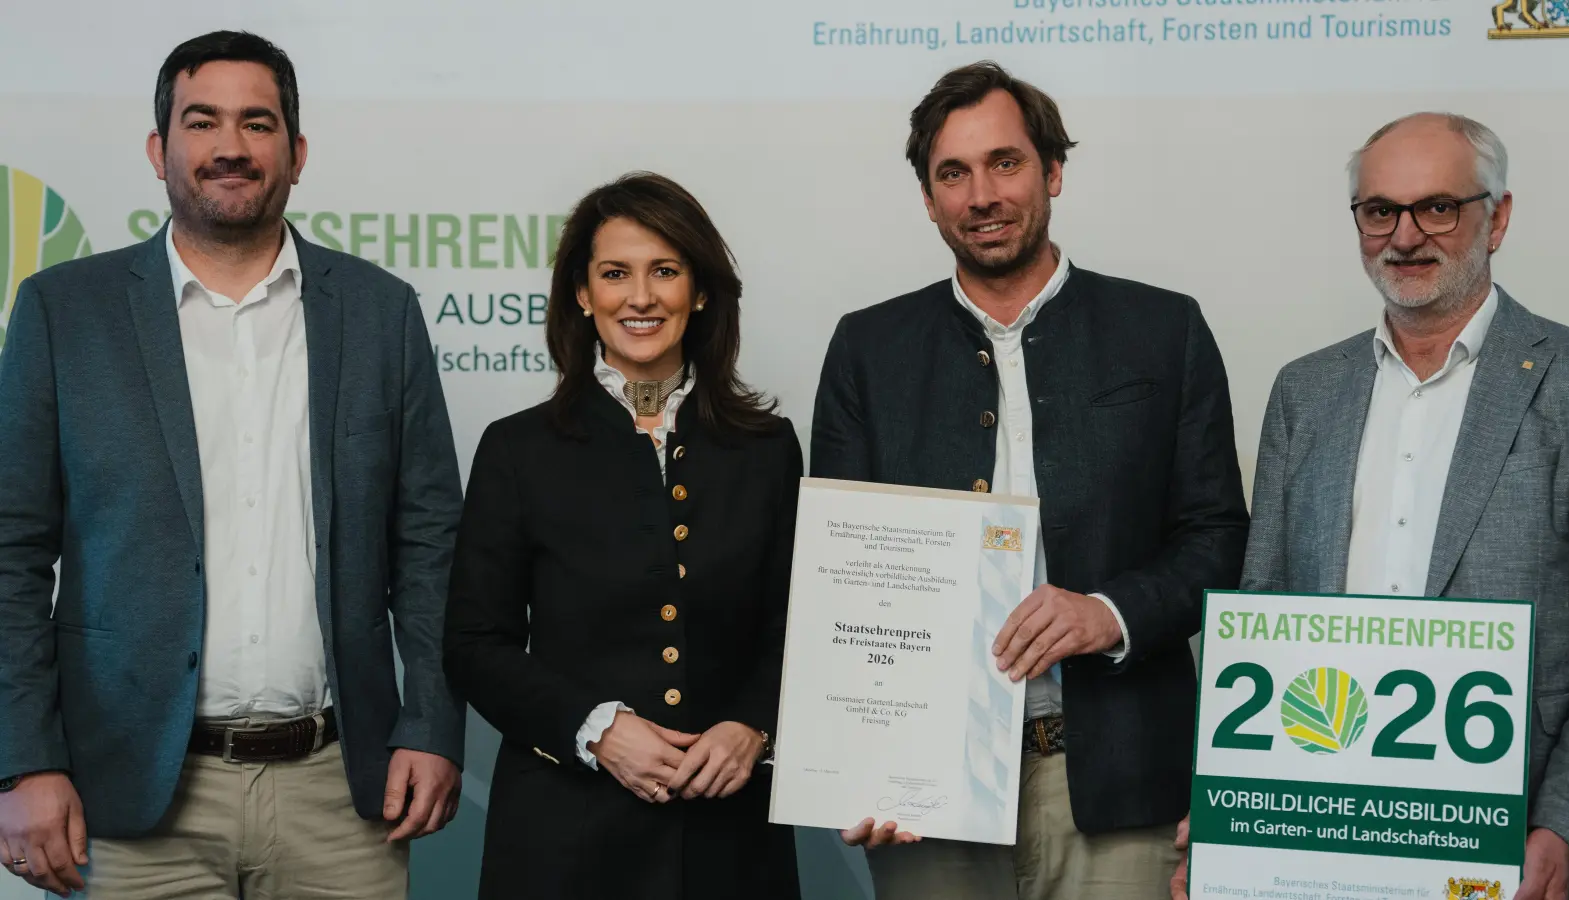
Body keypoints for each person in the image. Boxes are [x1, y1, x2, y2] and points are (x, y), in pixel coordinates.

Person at [0, 31, 465, 898]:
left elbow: (430, 544)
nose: (230, 148)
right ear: (158, 149)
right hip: (131, 794)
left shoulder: (381, 313)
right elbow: (11, 552)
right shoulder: (65, 313)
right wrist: (23, 760)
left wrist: (431, 723)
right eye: (201, 121)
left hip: (339, 792)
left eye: (258, 123)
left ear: (296, 151)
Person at [810, 60, 1250, 900]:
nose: (981, 194)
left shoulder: (1164, 329)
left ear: (1052, 172)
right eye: (953, 173)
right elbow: (839, 577)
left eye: (1005, 163)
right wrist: (856, 762)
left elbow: (1218, 540)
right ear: (929, 197)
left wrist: (1106, 612)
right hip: (924, 789)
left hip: (1120, 781)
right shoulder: (869, 350)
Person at [1170, 113, 1569, 900]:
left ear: (1496, 218)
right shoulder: (1305, 391)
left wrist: (1567, 825)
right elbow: (1263, 621)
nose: (1404, 236)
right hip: (1321, 839)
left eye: (1438, 207)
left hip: (1508, 836)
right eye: (1379, 211)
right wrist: (1232, 815)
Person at [442, 171, 803, 900]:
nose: (640, 297)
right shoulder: (518, 450)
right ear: (582, 293)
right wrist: (595, 728)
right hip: (563, 840)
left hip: (730, 839)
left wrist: (754, 726)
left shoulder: (768, 448)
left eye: (665, 271)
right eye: (615, 274)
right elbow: (475, 645)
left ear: (700, 291)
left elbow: (795, 625)